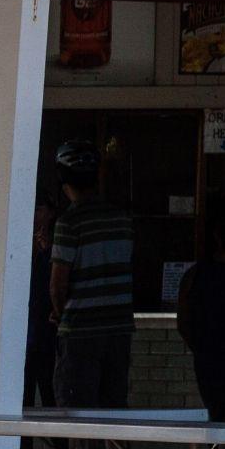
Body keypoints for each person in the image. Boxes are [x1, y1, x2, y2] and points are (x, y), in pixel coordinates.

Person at [49, 140, 135, 408]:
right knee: (115, 410)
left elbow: (57, 285)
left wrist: (60, 312)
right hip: (119, 327)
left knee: (76, 412)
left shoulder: (69, 222)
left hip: (81, 330)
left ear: (65, 183)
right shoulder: (122, 219)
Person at [177, 203, 225, 423]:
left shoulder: (195, 277)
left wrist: (202, 351)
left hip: (209, 363)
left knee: (216, 417)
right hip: (212, 360)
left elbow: (183, 325)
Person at [24, 201, 58, 410]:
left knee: (49, 391)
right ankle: (23, 443)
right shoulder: (23, 241)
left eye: (39, 209)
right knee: (24, 394)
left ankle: (59, 442)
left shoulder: (57, 242)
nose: (35, 215)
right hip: (29, 330)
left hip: (47, 330)